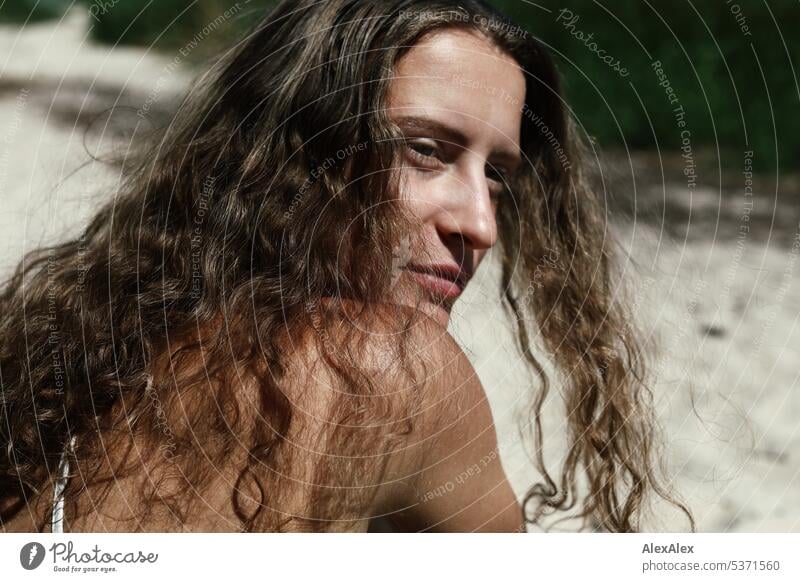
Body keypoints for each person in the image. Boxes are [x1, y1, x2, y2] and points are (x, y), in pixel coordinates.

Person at [0, 0, 692, 532]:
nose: (479, 224)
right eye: (426, 150)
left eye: (498, 176)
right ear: (303, 153)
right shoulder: (384, 370)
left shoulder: (104, 351)